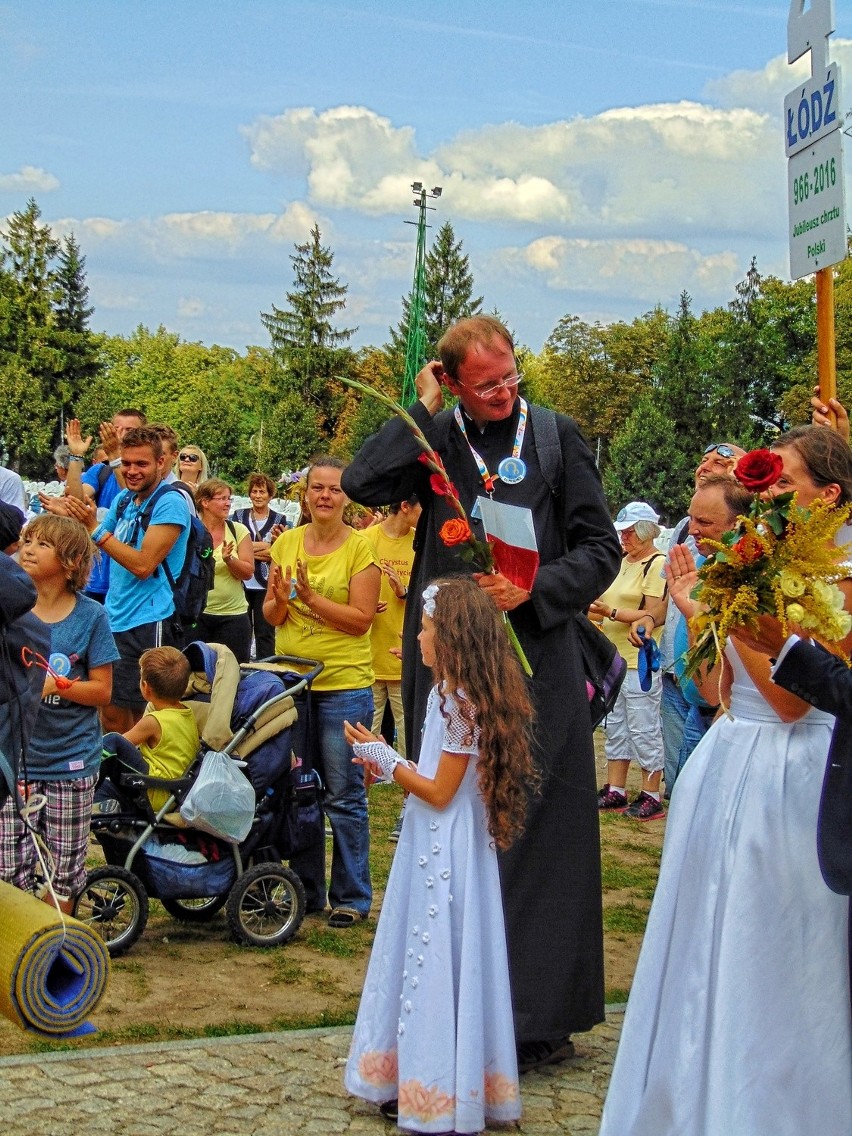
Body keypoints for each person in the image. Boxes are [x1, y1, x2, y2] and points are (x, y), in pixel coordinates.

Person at [342, 315, 622, 1068]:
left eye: (512, 378)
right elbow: (361, 482)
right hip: (453, 662)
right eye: (486, 384)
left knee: (538, 828)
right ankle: (452, 1004)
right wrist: (424, 410)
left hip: (539, 658)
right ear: (454, 380)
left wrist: (533, 590)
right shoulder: (434, 439)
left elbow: (602, 549)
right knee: (458, 822)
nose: (504, 393)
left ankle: (536, 1017)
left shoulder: (557, 436)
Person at [599, 431, 852, 1136]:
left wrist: (736, 606)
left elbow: (793, 702)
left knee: (770, 947)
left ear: (828, 497)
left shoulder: (835, 577)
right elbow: (713, 691)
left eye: (781, 484)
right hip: (727, 761)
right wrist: (698, 610)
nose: (766, 497)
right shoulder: (754, 574)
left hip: (791, 775)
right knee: (702, 939)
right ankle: (692, 1093)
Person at [344, 576, 535, 1135]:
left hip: (447, 844)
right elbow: (428, 776)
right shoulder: (443, 694)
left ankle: (438, 1085)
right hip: (431, 837)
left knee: (437, 948)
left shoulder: (461, 702)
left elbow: (440, 790)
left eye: (425, 629)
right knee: (416, 947)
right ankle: (412, 1074)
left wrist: (381, 755)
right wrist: (389, 764)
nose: (418, 638)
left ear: (449, 638)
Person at [264, 456, 381, 927]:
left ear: (346, 496)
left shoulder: (360, 549)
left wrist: (311, 599)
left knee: (344, 795)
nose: (325, 496)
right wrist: (281, 599)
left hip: (343, 687)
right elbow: (271, 616)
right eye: (317, 488)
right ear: (305, 494)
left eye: (334, 489)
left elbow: (360, 621)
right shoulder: (287, 543)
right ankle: (306, 891)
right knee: (299, 790)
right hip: (292, 684)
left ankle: (351, 898)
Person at [0, 515, 119, 914]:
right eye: (26, 540)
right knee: (7, 871)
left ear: (70, 561)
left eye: (42, 543)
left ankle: (53, 951)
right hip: (13, 765)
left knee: (63, 870)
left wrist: (56, 685)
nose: (28, 548)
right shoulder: (9, 614)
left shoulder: (92, 617)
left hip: (70, 763)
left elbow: (103, 691)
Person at [630, 441, 746, 797]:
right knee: (681, 787)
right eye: (703, 459)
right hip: (677, 674)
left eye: (720, 462)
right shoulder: (685, 530)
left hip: (719, 693)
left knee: (704, 793)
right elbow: (674, 596)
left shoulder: (753, 558)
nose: (705, 466)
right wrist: (651, 618)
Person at [63, 425, 191, 735]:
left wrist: (93, 526)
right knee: (113, 714)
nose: (132, 471)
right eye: (127, 462)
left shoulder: (170, 502)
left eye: (141, 464)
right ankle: (120, 778)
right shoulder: (124, 500)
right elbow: (89, 532)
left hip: (150, 621)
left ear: (161, 463)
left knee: (148, 717)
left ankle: (144, 779)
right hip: (116, 618)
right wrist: (76, 462)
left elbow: (144, 565)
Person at [591, 502, 667, 819]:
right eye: (622, 531)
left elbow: (654, 613)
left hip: (639, 659)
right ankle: (616, 788)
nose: (624, 537)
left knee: (644, 727)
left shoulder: (656, 563)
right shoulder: (623, 562)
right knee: (616, 725)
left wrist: (610, 612)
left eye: (630, 532)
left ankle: (652, 793)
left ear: (647, 532)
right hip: (614, 656)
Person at [98, 646, 199, 815]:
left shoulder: (153, 722)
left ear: (146, 687)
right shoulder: (187, 714)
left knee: (113, 742)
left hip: (155, 790)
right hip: (171, 794)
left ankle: (76, 777)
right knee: (103, 790)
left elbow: (122, 745)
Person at [194, 478, 254, 663]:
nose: (228, 503)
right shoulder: (191, 531)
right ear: (205, 502)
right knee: (196, 674)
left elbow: (247, 572)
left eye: (229, 498)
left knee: (233, 674)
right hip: (197, 616)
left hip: (233, 617)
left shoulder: (238, 530)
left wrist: (230, 560)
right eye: (222, 498)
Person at [232, 473, 287, 660]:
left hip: (265, 583)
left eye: (262, 491)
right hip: (242, 581)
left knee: (265, 631)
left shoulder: (280, 519)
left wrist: (248, 548)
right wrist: (264, 547)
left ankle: (267, 668)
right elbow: (234, 546)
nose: (257, 495)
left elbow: (278, 551)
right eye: (254, 491)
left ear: (270, 495)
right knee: (241, 630)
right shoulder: (238, 516)